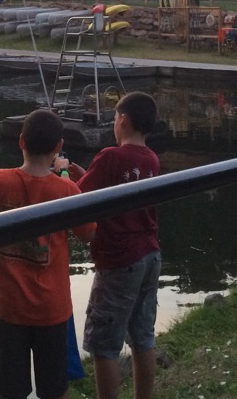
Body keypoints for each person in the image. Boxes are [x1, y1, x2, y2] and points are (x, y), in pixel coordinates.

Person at [0, 109, 95, 399]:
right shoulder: (68, 191)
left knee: (11, 391)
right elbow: (89, 235)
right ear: (59, 146)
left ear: (21, 141)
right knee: (56, 390)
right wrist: (67, 177)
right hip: (53, 310)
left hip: (9, 310)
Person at [55, 91, 161, 399]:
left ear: (123, 120)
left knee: (104, 346)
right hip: (150, 254)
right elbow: (109, 188)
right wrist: (81, 174)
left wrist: (62, 171)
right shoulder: (151, 158)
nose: (114, 123)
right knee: (143, 337)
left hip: (118, 261)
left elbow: (73, 198)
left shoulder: (111, 157)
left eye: (115, 118)